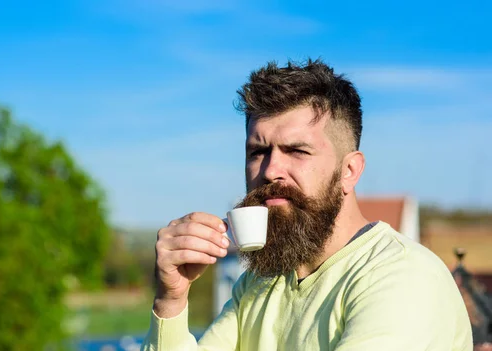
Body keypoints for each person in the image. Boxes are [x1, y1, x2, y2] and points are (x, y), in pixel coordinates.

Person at [140, 59, 473, 350]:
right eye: (258, 152)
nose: (270, 170)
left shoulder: (402, 278)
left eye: (297, 151)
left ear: (349, 170)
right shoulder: (260, 282)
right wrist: (171, 299)